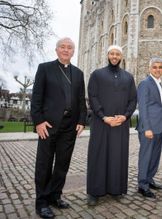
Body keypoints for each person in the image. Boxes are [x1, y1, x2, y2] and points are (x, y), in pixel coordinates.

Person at [31, 37, 87, 218]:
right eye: (62, 47)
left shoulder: (78, 73)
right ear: (56, 50)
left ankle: (55, 196)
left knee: (62, 165)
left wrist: (81, 121)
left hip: (69, 126)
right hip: (47, 125)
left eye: (69, 48)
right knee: (44, 165)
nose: (66, 50)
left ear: (73, 52)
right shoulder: (45, 68)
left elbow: (80, 101)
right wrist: (38, 121)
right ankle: (41, 202)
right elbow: (36, 98)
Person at [87, 45, 137, 206]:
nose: (114, 56)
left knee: (117, 156)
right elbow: (93, 97)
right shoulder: (97, 74)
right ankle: (95, 191)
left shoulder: (128, 77)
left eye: (117, 54)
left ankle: (116, 188)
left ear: (121, 57)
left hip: (120, 124)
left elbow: (132, 100)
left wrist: (125, 116)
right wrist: (103, 117)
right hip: (101, 123)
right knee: (98, 156)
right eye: (112, 54)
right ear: (108, 55)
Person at [136, 58, 162, 198]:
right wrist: (147, 128)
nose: (157, 69)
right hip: (148, 128)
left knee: (155, 157)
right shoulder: (145, 83)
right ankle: (142, 185)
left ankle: (149, 179)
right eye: (154, 67)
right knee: (146, 157)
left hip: (158, 126)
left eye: (160, 67)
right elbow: (142, 107)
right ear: (149, 68)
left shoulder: (159, 83)